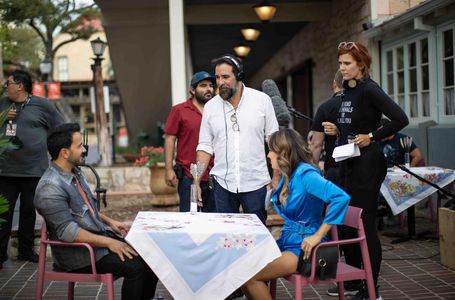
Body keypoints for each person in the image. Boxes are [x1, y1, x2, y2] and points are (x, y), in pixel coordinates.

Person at [34, 123, 158, 300]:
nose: (84, 149)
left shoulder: (75, 172)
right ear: (64, 153)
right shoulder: (50, 188)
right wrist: (109, 242)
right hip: (79, 255)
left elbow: (83, 208)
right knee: (137, 267)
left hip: (97, 242)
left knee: (153, 257)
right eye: (79, 146)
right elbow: (67, 231)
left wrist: (109, 221)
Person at [328, 41, 409, 300]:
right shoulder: (347, 90)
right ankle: (354, 280)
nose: (342, 68)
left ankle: (371, 288)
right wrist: (337, 130)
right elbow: (355, 122)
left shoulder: (370, 90)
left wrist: (371, 136)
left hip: (368, 165)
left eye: (347, 63)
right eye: (340, 63)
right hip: (347, 163)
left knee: (364, 224)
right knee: (347, 223)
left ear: (361, 65)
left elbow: (400, 119)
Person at [241, 129, 350, 300]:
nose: (268, 155)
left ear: (283, 153)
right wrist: (277, 176)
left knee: (249, 276)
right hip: (288, 239)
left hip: (306, 246)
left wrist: (318, 235)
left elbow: (341, 198)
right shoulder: (289, 175)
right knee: (239, 271)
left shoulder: (306, 174)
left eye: (271, 150)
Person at [195, 54, 279, 224]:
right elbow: (204, 146)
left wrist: (276, 177)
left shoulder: (262, 101)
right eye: (217, 77)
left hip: (256, 183)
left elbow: (275, 142)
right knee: (225, 238)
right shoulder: (210, 107)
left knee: (256, 237)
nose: (220, 82)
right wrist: (196, 181)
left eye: (225, 77)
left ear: (239, 76)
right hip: (222, 185)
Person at [0, 70, 64, 268]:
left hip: (34, 170)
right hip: (5, 171)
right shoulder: (2, 104)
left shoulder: (42, 105)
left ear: (19, 85)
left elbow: (60, 127)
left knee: (28, 212)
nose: (5, 87)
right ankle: (0, 256)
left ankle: (26, 251)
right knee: (3, 214)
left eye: (7, 83)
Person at [164, 71, 216, 212]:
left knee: (214, 220)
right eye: (203, 86)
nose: (208, 89)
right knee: (189, 218)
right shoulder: (179, 110)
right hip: (188, 175)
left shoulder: (218, 110)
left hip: (215, 175)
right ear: (192, 90)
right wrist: (168, 169)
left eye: (211, 86)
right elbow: (170, 139)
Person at [309, 70, 343, 187]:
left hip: (334, 167)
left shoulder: (325, 107)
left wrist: (312, 169)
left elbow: (316, 144)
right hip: (360, 165)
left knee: (336, 203)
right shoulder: (360, 105)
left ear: (334, 84)